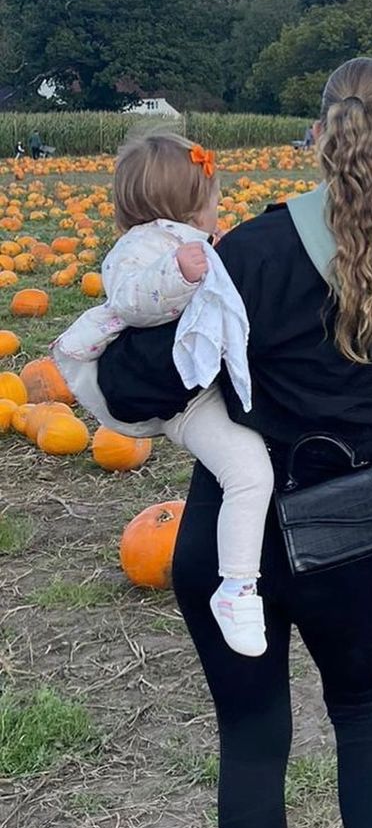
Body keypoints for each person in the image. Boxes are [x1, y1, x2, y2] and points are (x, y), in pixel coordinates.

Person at [96, 57, 372, 828]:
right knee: (366, 716)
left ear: (320, 134)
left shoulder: (255, 251)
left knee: (251, 740)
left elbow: (133, 391)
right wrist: (369, 467)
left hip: (227, 531)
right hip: (346, 530)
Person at [52, 133, 272, 658]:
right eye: (213, 197)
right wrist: (179, 273)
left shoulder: (189, 241)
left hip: (203, 382)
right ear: (189, 202)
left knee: (255, 467)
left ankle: (239, 582)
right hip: (178, 396)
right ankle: (239, 586)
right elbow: (130, 300)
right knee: (249, 473)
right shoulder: (141, 249)